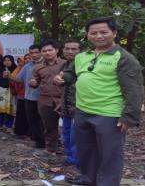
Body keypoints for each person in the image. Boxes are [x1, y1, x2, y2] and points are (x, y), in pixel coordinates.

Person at [59, 17, 143, 186]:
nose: (98, 36)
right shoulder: (82, 56)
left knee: (110, 154)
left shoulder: (124, 58)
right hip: (82, 111)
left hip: (109, 114)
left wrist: (129, 117)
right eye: (94, 33)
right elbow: (72, 74)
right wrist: (62, 77)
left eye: (103, 32)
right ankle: (89, 178)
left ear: (114, 33)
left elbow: (134, 90)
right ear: (88, 35)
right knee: (86, 150)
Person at [29, 40, 65, 153]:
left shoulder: (65, 64)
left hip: (64, 99)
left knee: (69, 127)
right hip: (45, 100)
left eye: (50, 50)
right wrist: (33, 83)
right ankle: (51, 149)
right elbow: (35, 82)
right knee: (49, 127)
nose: (47, 53)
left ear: (57, 51)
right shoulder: (37, 67)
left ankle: (69, 151)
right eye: (44, 51)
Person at [53, 39, 81, 167]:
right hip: (66, 106)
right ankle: (70, 158)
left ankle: (79, 162)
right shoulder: (63, 65)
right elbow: (62, 84)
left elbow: (69, 78)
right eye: (67, 48)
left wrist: (62, 78)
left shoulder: (82, 63)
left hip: (79, 107)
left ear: (80, 51)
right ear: (63, 50)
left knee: (76, 136)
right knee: (66, 133)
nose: (70, 51)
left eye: (74, 49)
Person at [10, 45, 45, 148]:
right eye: (31, 53)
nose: (34, 55)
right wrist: (9, 76)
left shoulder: (47, 64)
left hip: (43, 98)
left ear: (41, 52)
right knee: (32, 121)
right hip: (29, 98)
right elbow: (19, 79)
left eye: (36, 52)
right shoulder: (27, 66)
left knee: (44, 122)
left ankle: (50, 142)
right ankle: (39, 142)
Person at [0, 55, 17, 130]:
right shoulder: (0, 69)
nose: (6, 62)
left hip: (11, 92)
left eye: (8, 60)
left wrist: (9, 76)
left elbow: (18, 80)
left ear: (12, 61)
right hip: (1, 91)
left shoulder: (16, 69)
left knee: (10, 108)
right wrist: (2, 77)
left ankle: (9, 125)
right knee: (0, 108)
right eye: (5, 60)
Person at [12, 54, 30, 137]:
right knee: (21, 114)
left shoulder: (35, 68)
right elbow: (16, 80)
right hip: (21, 94)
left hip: (31, 95)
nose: (27, 60)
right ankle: (20, 132)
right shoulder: (20, 69)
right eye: (26, 59)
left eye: (29, 58)